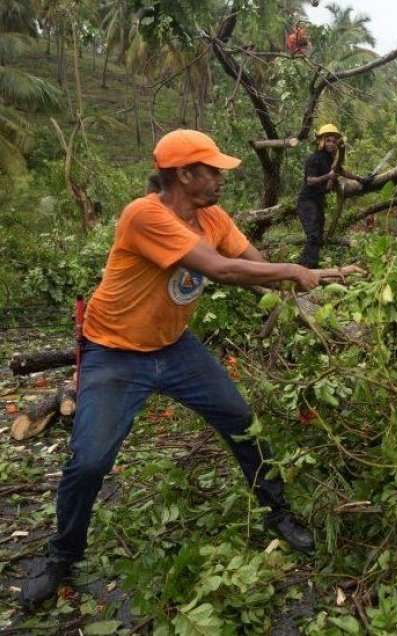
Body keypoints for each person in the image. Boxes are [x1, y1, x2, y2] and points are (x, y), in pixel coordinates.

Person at [21, 129, 362, 607]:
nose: (221, 178)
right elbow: (221, 270)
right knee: (91, 461)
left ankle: (276, 511)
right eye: (213, 170)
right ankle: (63, 554)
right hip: (116, 351)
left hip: (174, 346)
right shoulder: (145, 215)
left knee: (243, 422)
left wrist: (322, 285)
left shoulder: (214, 217)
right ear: (184, 174)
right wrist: (292, 270)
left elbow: (254, 266)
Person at [296, 124, 368, 268]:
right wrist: (327, 176)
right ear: (321, 141)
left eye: (334, 141)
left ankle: (312, 267)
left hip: (318, 202)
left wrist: (360, 179)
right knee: (313, 235)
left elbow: (341, 171)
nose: (331, 144)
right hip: (307, 202)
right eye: (328, 140)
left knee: (319, 236)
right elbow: (310, 180)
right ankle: (303, 268)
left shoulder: (330, 159)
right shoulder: (314, 159)